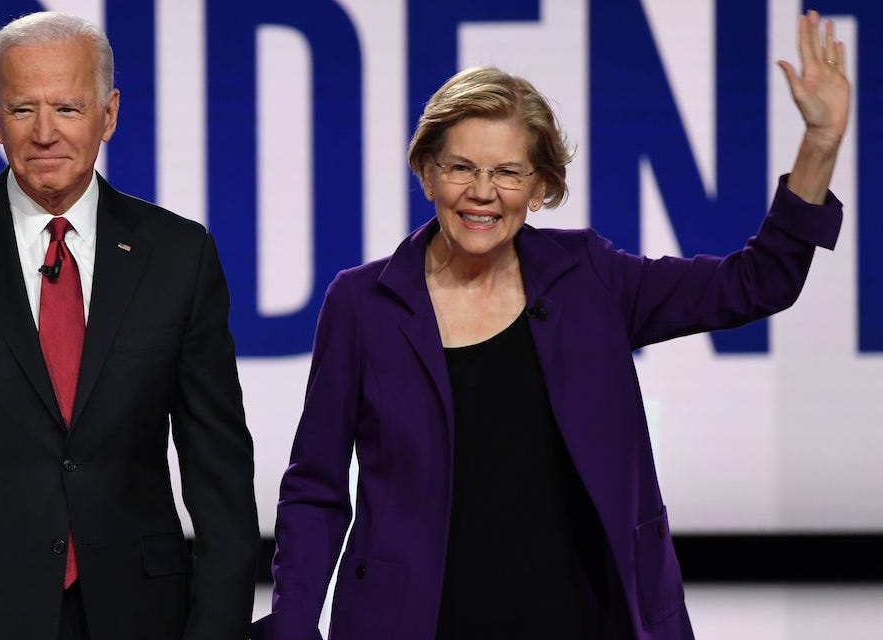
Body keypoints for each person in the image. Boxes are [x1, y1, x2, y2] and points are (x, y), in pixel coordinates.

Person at [252, 10, 847, 640]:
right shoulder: (363, 303)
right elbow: (315, 488)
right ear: (427, 173)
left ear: (539, 189)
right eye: (460, 167)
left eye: (507, 173)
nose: (483, 192)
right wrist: (292, 625)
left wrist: (820, 146)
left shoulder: (588, 278)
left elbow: (757, 283)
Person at [0, 11, 259, 640]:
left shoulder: (178, 258)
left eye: (68, 108)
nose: (46, 133)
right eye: (23, 109)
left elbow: (220, 480)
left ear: (109, 114)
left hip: (139, 616)